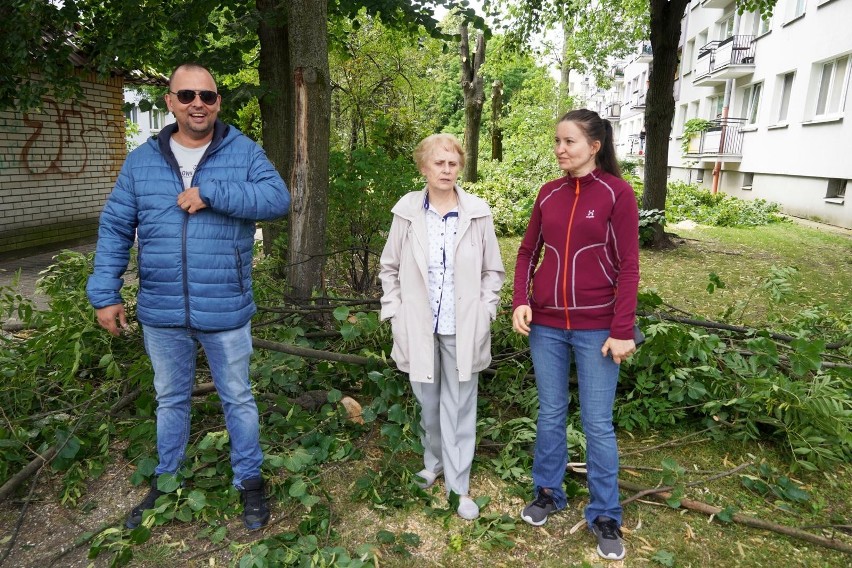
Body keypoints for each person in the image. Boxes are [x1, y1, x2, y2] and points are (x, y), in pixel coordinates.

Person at [86, 63, 290, 531]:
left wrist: (212, 192)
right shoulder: (141, 161)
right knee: (170, 398)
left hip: (225, 306)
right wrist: (104, 293)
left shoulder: (243, 151)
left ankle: (250, 481)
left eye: (208, 95)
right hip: (161, 309)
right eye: (187, 95)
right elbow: (116, 227)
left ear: (218, 102)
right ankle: (166, 479)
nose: (198, 103)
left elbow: (279, 199)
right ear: (170, 102)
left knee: (238, 397)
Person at [511, 109, 639, 560]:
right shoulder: (548, 193)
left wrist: (622, 329)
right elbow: (528, 251)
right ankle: (548, 493)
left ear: (594, 146)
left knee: (597, 424)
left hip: (597, 329)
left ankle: (605, 514)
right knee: (550, 413)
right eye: (558, 142)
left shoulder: (616, 193)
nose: (561, 149)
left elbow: (629, 267)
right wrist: (521, 300)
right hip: (545, 325)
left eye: (569, 142)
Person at [379, 133, 505, 520]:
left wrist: (486, 311)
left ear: (460, 168)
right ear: (423, 167)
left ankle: (459, 484)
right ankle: (433, 463)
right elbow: (390, 268)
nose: (447, 169)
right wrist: (394, 312)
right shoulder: (406, 212)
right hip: (418, 324)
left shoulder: (478, 212)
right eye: (439, 162)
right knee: (428, 405)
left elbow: (492, 271)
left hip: (462, 325)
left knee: (460, 406)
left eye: (453, 163)